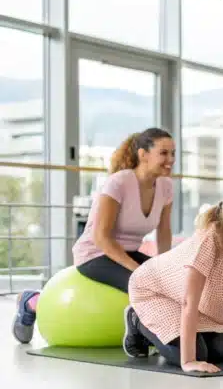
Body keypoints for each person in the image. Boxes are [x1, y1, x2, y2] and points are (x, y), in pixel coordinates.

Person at [12, 127, 176, 344]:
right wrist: (138, 271)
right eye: (164, 153)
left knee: (169, 284)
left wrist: (164, 266)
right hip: (95, 254)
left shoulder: (166, 186)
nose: (171, 159)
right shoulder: (119, 183)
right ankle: (31, 302)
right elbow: (101, 237)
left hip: (127, 252)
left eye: (173, 153)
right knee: (144, 285)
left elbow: (163, 232)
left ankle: (158, 337)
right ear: (143, 154)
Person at [123, 182, 223, 374]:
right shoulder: (210, 240)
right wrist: (188, 360)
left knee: (222, 351)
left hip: (197, 306)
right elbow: (189, 300)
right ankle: (137, 320)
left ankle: (177, 341)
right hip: (154, 291)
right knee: (196, 353)